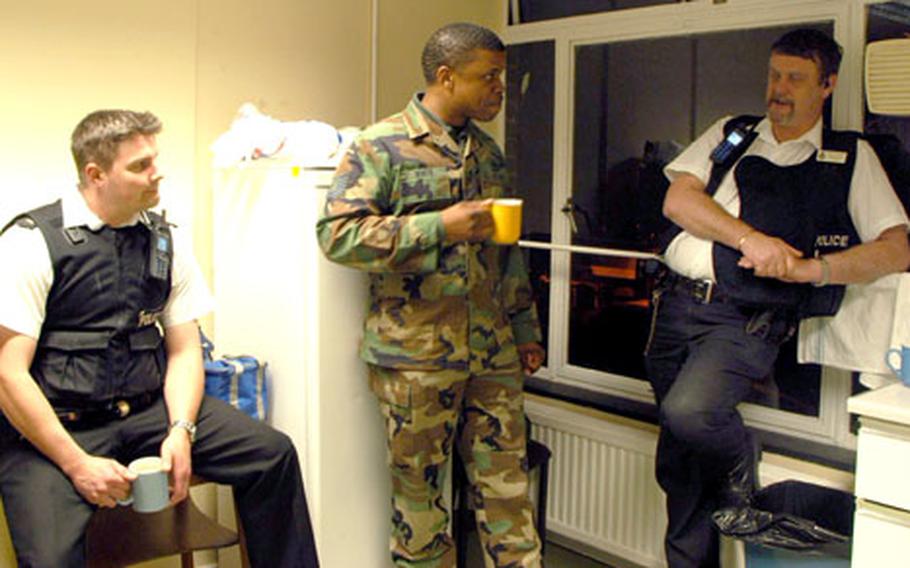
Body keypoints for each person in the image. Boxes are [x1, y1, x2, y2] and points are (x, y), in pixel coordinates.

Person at [0, 109, 319, 568]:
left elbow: (185, 348)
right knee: (50, 558)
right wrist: (76, 464)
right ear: (95, 174)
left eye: (155, 159)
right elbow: (9, 375)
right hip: (58, 428)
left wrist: (180, 431)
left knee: (271, 455)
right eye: (139, 166)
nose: (157, 173)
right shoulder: (30, 245)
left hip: (148, 412)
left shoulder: (165, 241)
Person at [646, 28, 910, 568]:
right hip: (675, 309)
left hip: (744, 321)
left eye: (795, 78)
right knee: (679, 456)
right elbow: (679, 200)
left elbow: (896, 249)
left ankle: (743, 460)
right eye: (774, 74)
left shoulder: (850, 156)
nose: (779, 89)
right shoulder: (733, 135)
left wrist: (817, 269)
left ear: (828, 85)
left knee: (692, 414)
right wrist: (749, 238)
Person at [317, 22, 544, 568]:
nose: (499, 88)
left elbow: (507, 255)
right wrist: (438, 226)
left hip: (492, 354)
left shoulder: (488, 154)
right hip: (415, 356)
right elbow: (338, 235)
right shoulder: (381, 145)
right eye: (488, 77)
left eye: (502, 77)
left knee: (509, 493)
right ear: (446, 76)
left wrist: (525, 333)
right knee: (419, 501)